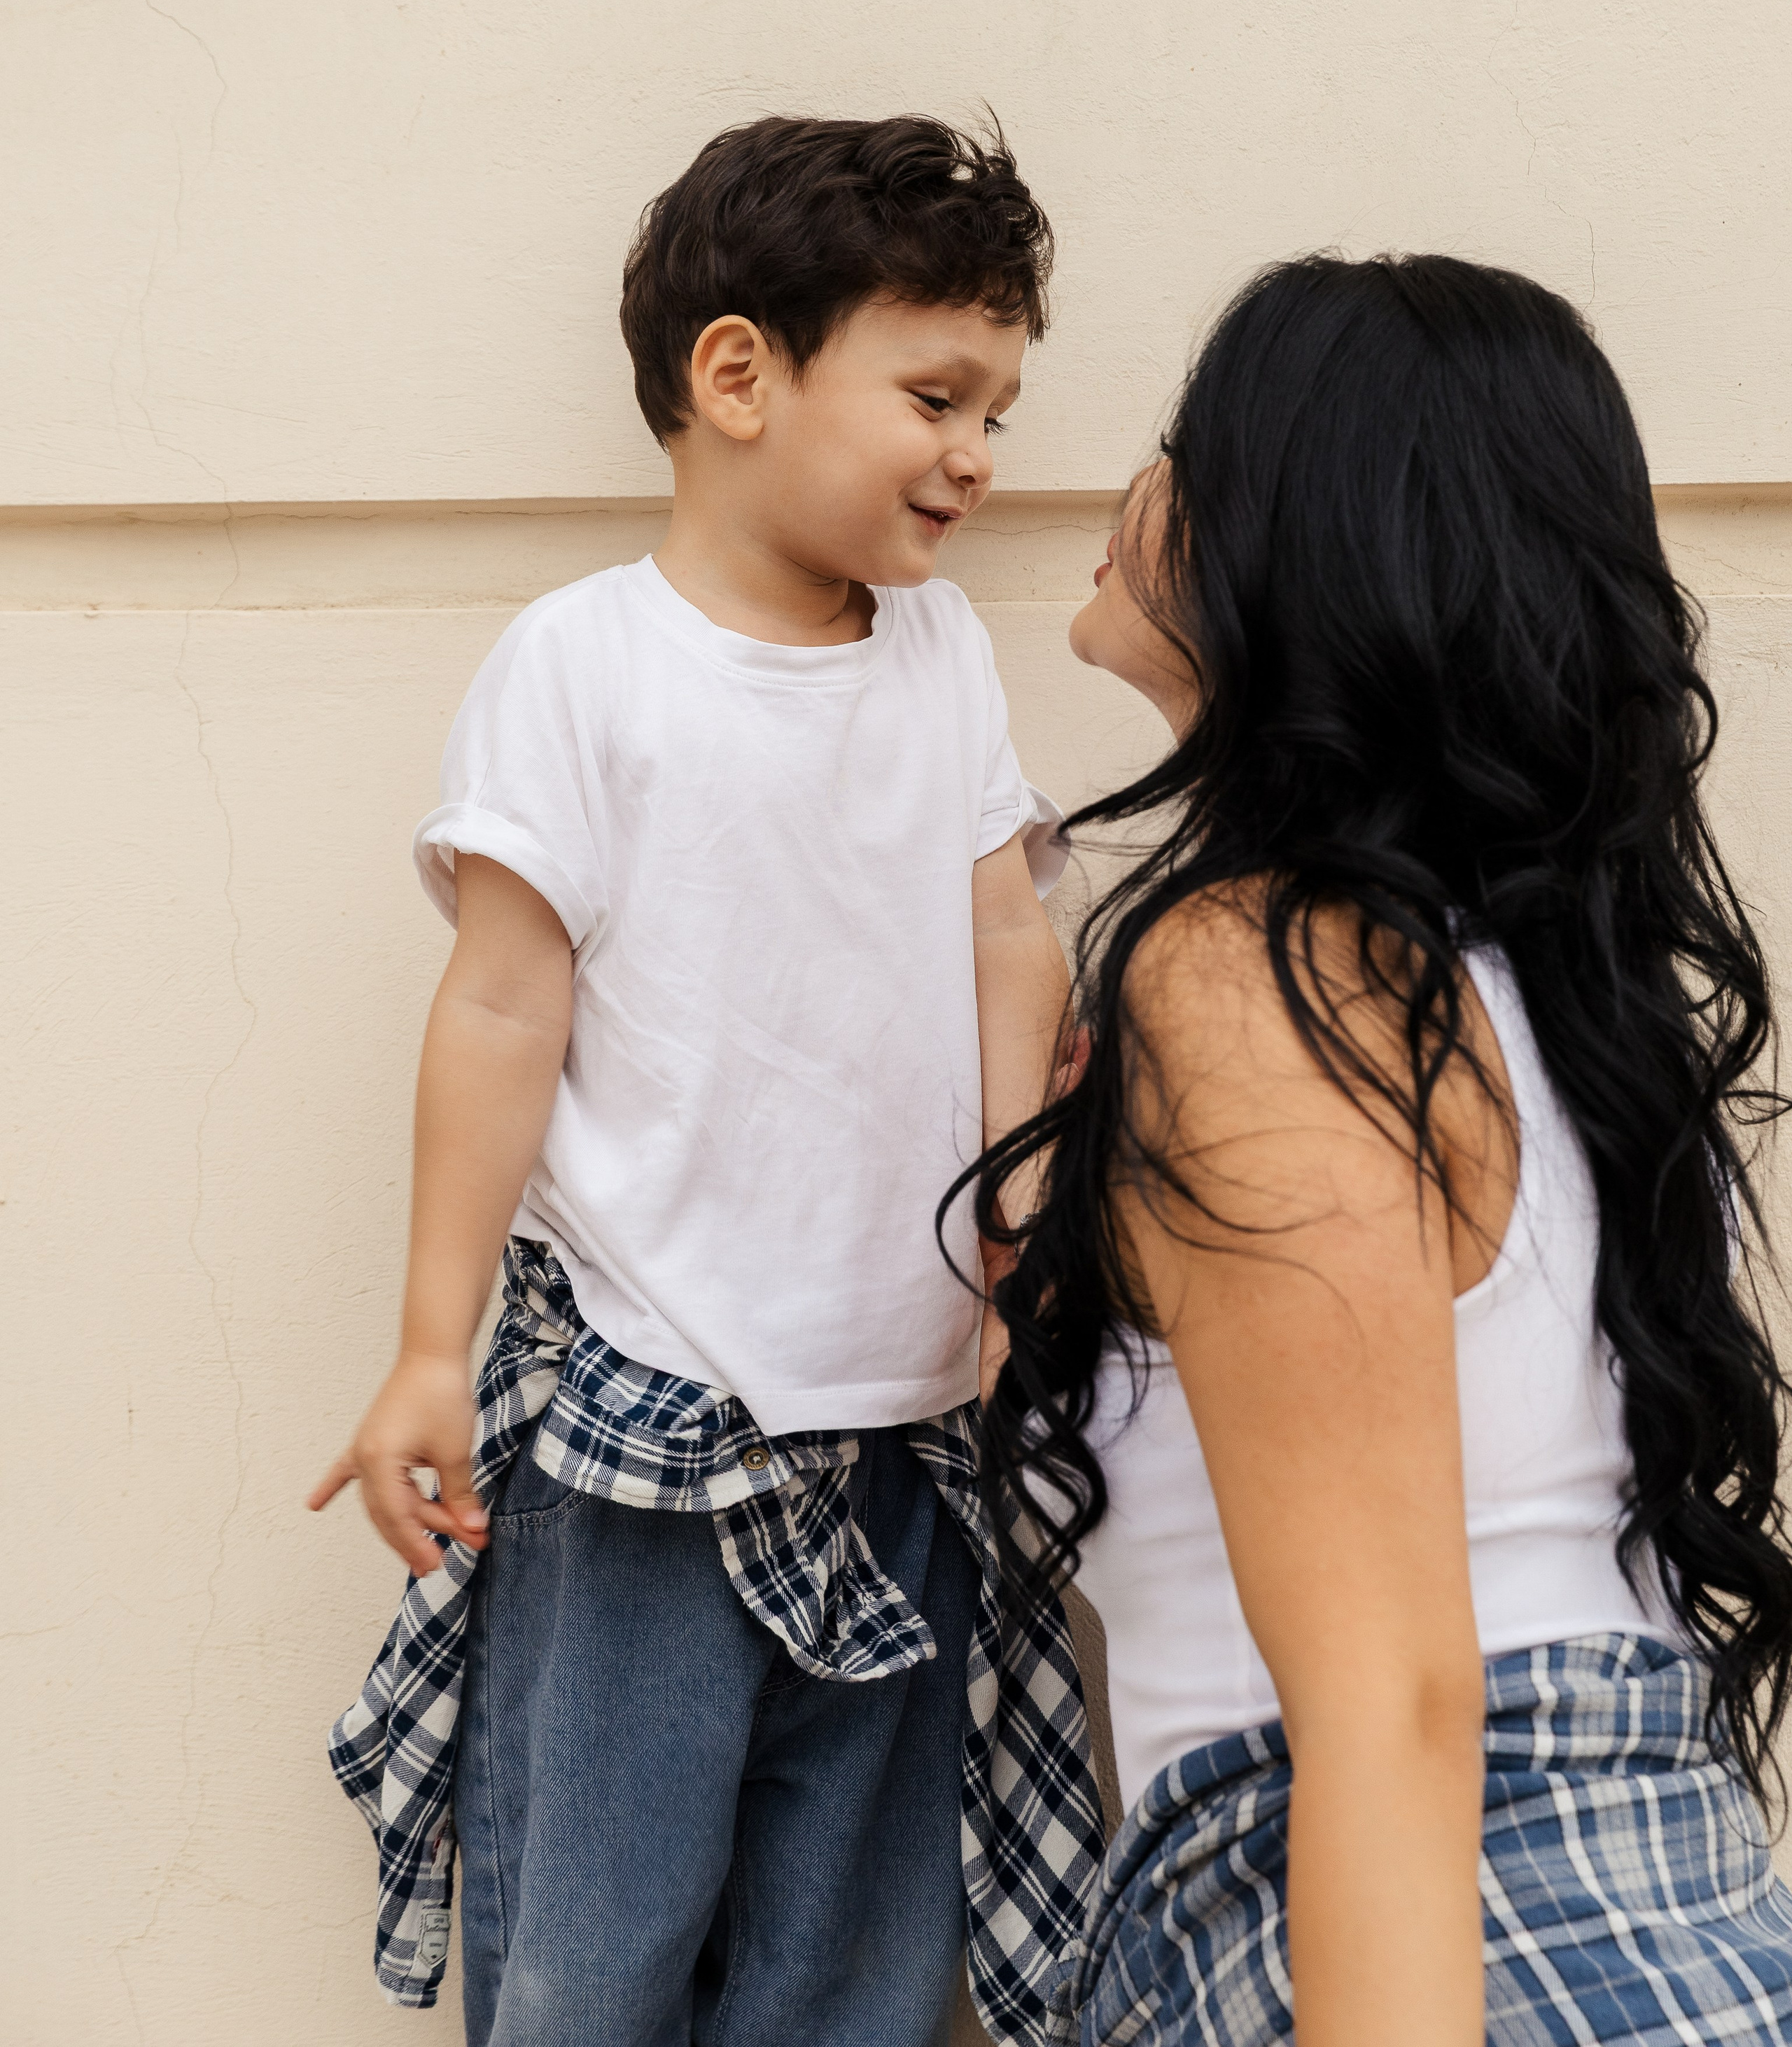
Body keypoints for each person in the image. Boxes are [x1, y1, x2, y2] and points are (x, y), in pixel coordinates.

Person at [308, 114, 1105, 2047]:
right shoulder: (584, 668)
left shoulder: (939, 660)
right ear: (738, 374)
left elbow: (1008, 932)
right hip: (648, 1429)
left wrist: (1019, 1200)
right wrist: (431, 1344)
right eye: (937, 394)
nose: (979, 455)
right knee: (594, 1951)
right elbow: (503, 1010)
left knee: (862, 1966)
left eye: (999, 405)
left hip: (910, 1428)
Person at [969, 254, 1792, 2045]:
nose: (1136, 488)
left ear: (1298, 534)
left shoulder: (1265, 980)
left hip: (1448, 1935)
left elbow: (1394, 1704)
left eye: (1188, 444)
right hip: (1629, 1916)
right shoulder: (1544, 999)